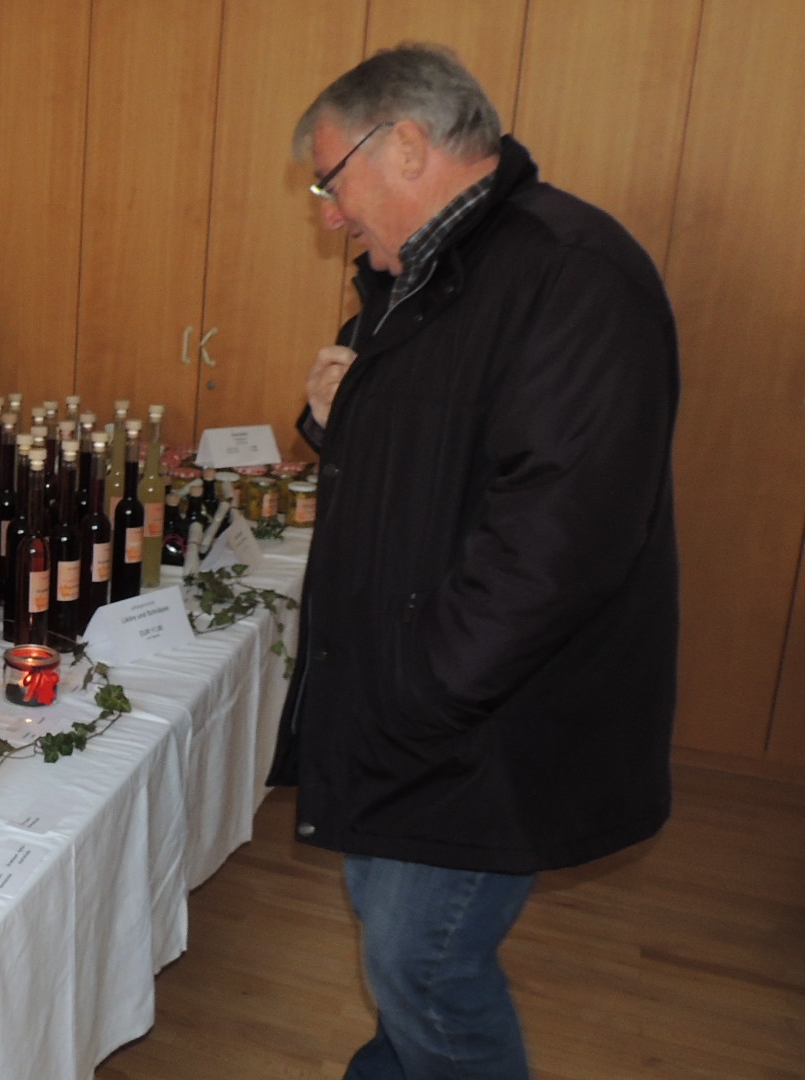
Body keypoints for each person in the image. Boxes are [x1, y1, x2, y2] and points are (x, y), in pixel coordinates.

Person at [268, 45, 679, 1079]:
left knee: (426, 965)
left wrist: (421, 687)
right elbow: (430, 457)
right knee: (393, 937)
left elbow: (558, 538)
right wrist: (335, 421)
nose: (330, 214)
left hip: (482, 717)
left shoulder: (569, 273)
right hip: (414, 697)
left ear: (407, 145)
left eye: (332, 181)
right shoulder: (415, 276)